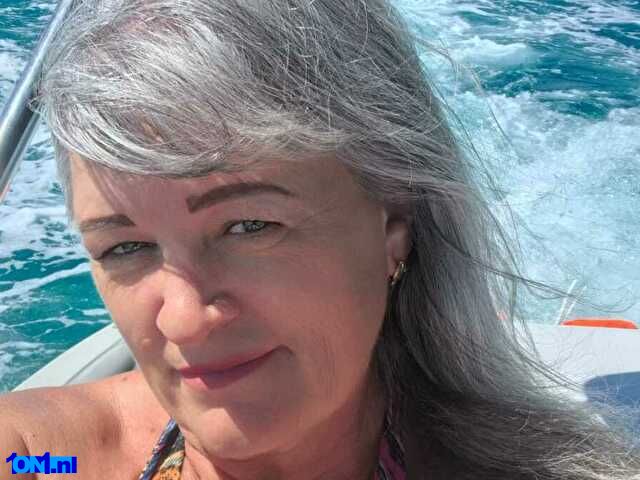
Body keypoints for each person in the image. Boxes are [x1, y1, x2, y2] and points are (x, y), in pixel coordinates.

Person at [1, 0, 639, 479]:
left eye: (249, 226)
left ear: (394, 225)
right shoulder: (56, 461)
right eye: (126, 248)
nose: (185, 321)